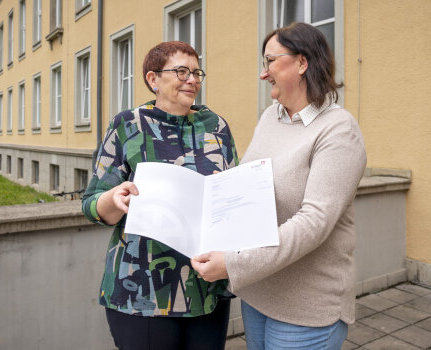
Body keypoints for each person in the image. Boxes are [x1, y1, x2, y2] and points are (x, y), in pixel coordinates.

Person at [191, 22, 367, 349]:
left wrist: (233, 263)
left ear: (302, 63)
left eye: (270, 61)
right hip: (259, 293)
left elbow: (313, 223)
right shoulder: (270, 117)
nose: (263, 73)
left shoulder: (340, 131)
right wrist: (228, 188)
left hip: (306, 308)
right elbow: (256, 184)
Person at [81, 41, 239, 350]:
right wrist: (114, 199)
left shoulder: (217, 127)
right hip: (142, 292)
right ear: (153, 79)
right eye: (181, 71)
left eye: (196, 72)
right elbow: (90, 204)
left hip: (206, 289)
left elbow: (232, 197)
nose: (192, 79)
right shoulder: (127, 125)